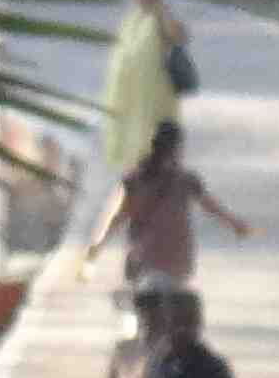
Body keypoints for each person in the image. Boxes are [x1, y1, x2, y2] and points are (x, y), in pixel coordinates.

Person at [79, 120, 255, 292]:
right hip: (179, 263)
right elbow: (213, 208)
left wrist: (92, 255)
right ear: (178, 149)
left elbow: (113, 220)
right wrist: (236, 225)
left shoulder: (133, 182)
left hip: (142, 261)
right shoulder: (187, 181)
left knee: (135, 300)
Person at [101, 0, 189, 182]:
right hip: (130, 104)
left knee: (152, 156)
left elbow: (180, 36)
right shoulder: (132, 19)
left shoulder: (160, 15)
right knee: (132, 159)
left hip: (154, 105)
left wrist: (164, 17)